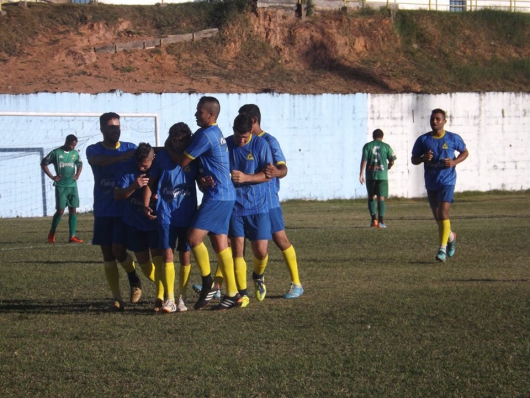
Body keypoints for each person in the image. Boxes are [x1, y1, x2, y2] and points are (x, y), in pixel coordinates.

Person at [162, 96, 239, 310]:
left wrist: (168, 146)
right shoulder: (213, 133)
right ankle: (232, 293)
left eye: (199, 112)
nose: (196, 114)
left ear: (210, 115)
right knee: (219, 243)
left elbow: (183, 161)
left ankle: (209, 283)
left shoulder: (206, 135)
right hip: (224, 193)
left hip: (217, 195)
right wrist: (201, 177)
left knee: (193, 238)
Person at [238, 104, 304, 299]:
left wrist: (277, 172)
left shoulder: (268, 141)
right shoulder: (240, 141)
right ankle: (219, 286)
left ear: (253, 121)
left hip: (268, 202)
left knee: (280, 240)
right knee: (236, 243)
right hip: (245, 202)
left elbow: (283, 168)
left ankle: (297, 284)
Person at [86, 112, 143, 311]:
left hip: (124, 209)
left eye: (117, 126)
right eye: (111, 127)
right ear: (102, 129)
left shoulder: (131, 148)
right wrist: (119, 158)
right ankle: (117, 299)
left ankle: (134, 279)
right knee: (107, 253)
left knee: (118, 250)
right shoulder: (93, 149)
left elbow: (146, 162)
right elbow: (98, 161)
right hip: (103, 208)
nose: (115, 130)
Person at [144, 123, 198, 314]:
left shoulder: (193, 158)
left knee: (185, 255)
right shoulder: (162, 159)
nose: (178, 142)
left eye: (182, 139)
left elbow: (201, 179)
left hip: (187, 213)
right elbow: (151, 182)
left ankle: (182, 297)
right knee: (167, 252)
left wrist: (207, 182)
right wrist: (148, 202)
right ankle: (169, 298)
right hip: (165, 213)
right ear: (170, 138)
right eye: (175, 139)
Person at [226, 114, 273, 308]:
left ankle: (258, 275)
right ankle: (243, 293)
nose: (242, 141)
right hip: (234, 206)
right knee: (237, 251)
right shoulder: (226, 145)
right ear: (233, 130)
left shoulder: (261, 145)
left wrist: (246, 178)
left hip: (258, 206)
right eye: (239, 137)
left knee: (261, 252)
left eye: (245, 137)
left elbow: (268, 175)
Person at [411, 108, 469, 263]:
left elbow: (465, 152)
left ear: (444, 121)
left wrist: (454, 162)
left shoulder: (451, 138)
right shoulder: (423, 140)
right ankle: (451, 236)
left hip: (447, 182)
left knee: (443, 213)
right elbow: (414, 159)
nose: (434, 122)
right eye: (432, 119)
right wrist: (423, 158)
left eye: (438, 119)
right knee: (439, 218)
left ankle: (442, 249)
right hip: (431, 182)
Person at [114, 143, 161, 311]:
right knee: (144, 262)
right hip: (134, 222)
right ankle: (164, 286)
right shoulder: (127, 169)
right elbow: (118, 195)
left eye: (145, 165)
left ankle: (161, 297)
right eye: (139, 164)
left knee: (159, 258)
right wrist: (134, 186)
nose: (141, 168)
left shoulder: (160, 167)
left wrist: (158, 193)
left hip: (154, 221)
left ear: (153, 159)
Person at [41, 134, 84, 243]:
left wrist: (78, 174)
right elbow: (43, 163)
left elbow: (79, 164)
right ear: (66, 142)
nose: (72, 148)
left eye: (74, 146)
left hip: (72, 185)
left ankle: (72, 236)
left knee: (73, 210)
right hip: (61, 186)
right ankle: (52, 232)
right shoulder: (56, 153)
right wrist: (52, 177)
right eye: (71, 145)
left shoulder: (74, 153)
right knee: (60, 211)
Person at [359, 129, 397, 228]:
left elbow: (364, 160)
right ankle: (381, 222)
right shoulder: (386, 146)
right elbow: (392, 160)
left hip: (371, 175)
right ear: (382, 136)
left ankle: (373, 220)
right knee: (381, 198)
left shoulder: (367, 146)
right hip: (382, 176)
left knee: (371, 197)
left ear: (373, 136)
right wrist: (389, 166)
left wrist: (361, 174)